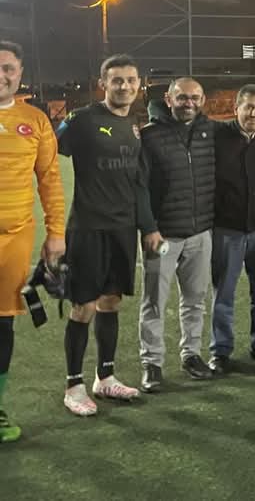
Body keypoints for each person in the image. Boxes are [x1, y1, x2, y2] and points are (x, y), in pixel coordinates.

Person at [55, 54, 147, 416]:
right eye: (117, 80)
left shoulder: (134, 123)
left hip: (123, 227)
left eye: (131, 80)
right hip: (88, 227)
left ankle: (105, 378)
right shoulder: (82, 119)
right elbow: (49, 149)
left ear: (139, 84)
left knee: (111, 301)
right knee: (84, 306)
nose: (124, 86)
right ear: (102, 84)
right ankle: (73, 385)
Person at [0, 40, 64, 442]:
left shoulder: (35, 120)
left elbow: (50, 180)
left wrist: (56, 233)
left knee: (2, 323)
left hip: (14, 239)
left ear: (20, 73)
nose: (1, 75)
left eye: (8, 68)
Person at [137, 76, 216, 392]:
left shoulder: (209, 131)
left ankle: (191, 354)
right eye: (182, 97)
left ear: (203, 100)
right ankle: (152, 363)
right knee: (154, 302)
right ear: (169, 100)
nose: (189, 103)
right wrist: (149, 228)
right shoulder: (149, 136)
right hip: (163, 236)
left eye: (195, 97)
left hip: (200, 233)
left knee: (195, 300)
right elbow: (140, 187)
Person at [208, 85, 255, 373]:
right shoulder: (218, 135)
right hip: (228, 228)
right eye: (249, 107)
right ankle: (220, 350)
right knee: (223, 292)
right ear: (236, 107)